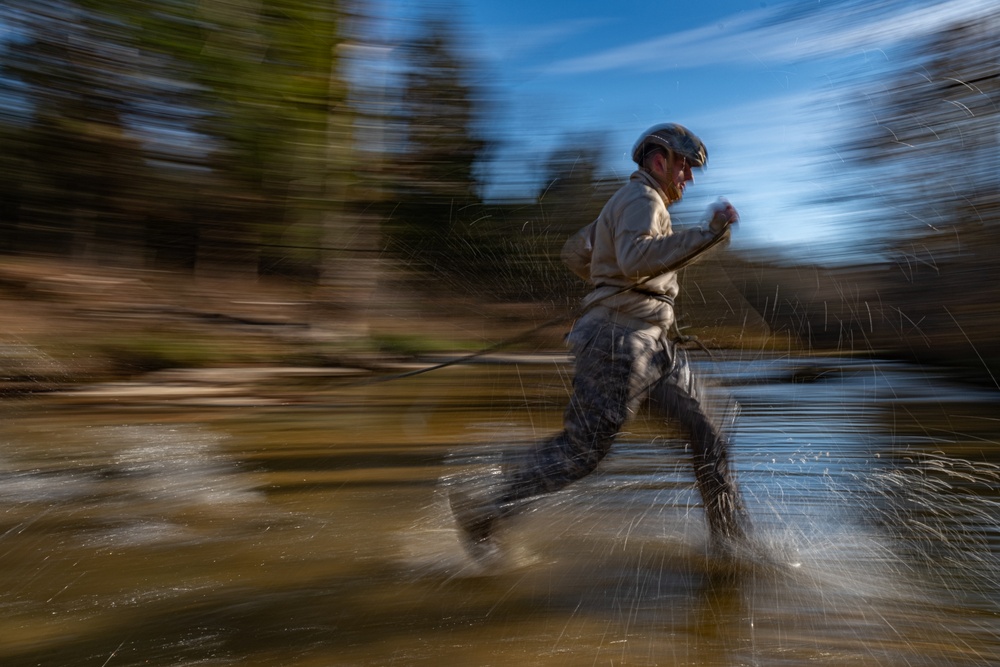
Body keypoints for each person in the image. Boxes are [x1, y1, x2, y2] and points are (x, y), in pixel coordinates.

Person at [450, 123, 750, 561]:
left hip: (649, 344)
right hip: (618, 341)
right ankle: (488, 512)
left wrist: (606, 280)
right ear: (659, 160)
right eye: (686, 168)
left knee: (711, 428)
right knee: (584, 450)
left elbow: (576, 251)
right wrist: (709, 233)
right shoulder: (641, 198)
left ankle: (732, 547)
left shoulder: (626, 203)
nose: (688, 179)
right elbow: (635, 257)